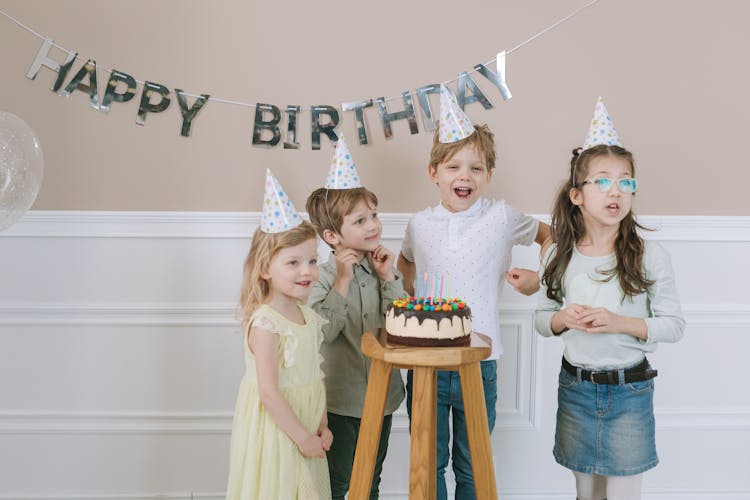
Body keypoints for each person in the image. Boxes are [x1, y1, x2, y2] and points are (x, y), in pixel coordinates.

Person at [397, 85, 551, 500]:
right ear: (434, 173)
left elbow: (549, 235)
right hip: (426, 361)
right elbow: (405, 262)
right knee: (429, 464)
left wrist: (540, 277)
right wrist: (410, 290)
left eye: (475, 168)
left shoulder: (501, 217)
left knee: (472, 463)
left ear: (489, 175)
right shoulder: (419, 224)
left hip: (479, 362)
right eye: (452, 166)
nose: (464, 176)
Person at [534, 98, 685, 500]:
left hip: (629, 392)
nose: (615, 191)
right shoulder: (557, 255)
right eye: (602, 180)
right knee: (586, 494)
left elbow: (673, 325)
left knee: (621, 495)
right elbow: (542, 318)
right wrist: (564, 317)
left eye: (625, 181)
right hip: (577, 389)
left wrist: (617, 322)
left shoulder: (649, 256)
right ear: (577, 196)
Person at [306, 134, 406, 500]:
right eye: (360, 220)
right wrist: (343, 280)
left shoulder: (380, 266)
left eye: (374, 216)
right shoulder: (320, 274)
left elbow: (401, 325)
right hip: (341, 401)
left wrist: (388, 278)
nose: (373, 226)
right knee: (339, 482)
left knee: (370, 481)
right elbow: (320, 334)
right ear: (332, 236)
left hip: (383, 395)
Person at [225, 170, 332, 500]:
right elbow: (269, 392)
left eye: (312, 260)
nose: (307, 271)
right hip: (278, 429)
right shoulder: (266, 323)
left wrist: (322, 425)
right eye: (293, 262)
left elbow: (315, 375)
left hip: (307, 424)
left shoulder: (309, 317)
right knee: (280, 488)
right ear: (265, 268)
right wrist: (301, 437)